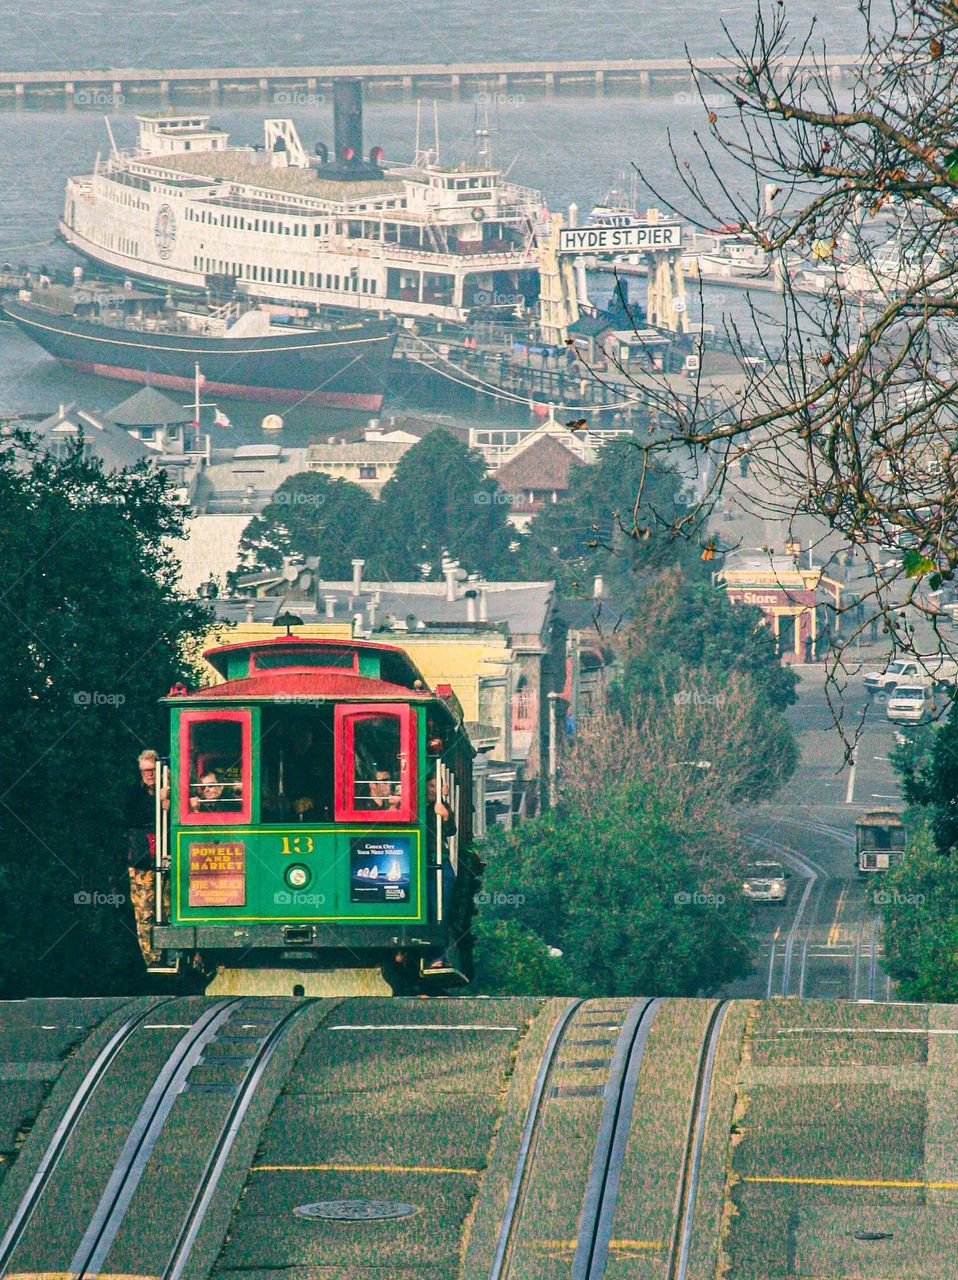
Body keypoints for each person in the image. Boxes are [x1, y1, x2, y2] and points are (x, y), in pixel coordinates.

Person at [124, 748, 169, 966]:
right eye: (144, 771)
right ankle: (152, 959)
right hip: (143, 861)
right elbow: (132, 816)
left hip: (170, 858)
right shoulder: (134, 793)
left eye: (152, 770)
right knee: (144, 911)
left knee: (172, 906)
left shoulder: (173, 789)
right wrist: (157, 803)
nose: (149, 775)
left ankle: (179, 956)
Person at [425, 772, 458, 970]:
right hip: (422, 862)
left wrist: (444, 815)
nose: (433, 791)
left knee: (440, 909)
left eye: (437, 787)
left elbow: (451, 830)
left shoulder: (442, 807)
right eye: (430, 787)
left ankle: (438, 955)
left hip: (439, 861)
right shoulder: (420, 806)